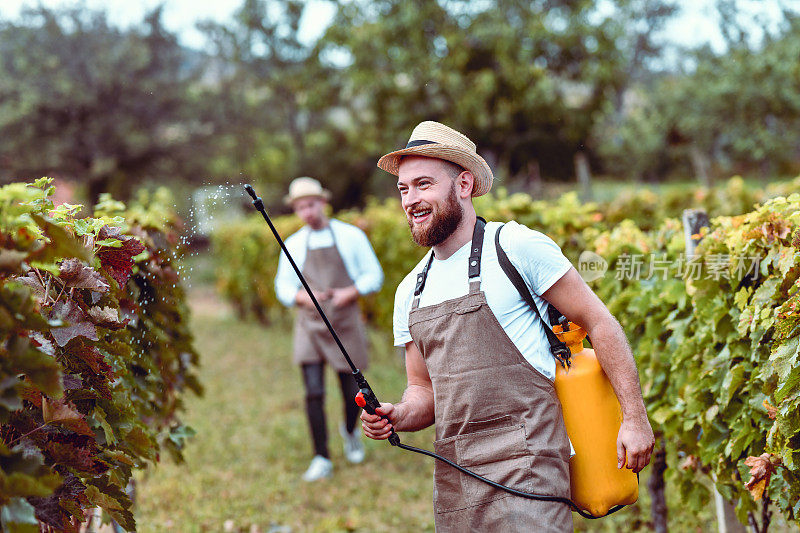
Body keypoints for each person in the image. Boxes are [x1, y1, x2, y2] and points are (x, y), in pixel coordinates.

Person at [361, 122, 655, 531]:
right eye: (404, 189)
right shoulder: (410, 291)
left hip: (530, 463)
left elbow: (599, 322)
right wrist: (398, 413)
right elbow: (424, 390)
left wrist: (634, 417)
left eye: (423, 184)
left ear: (463, 183)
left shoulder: (514, 247)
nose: (411, 199)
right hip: (456, 473)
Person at [275, 177, 384, 482]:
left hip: (345, 323)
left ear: (323, 203)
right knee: (313, 392)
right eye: (300, 207)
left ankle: (350, 431)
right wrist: (300, 297)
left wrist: (350, 292)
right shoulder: (294, 244)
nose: (306, 212)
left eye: (310, 205)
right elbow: (282, 286)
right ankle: (321, 456)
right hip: (310, 326)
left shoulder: (351, 237)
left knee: (353, 392)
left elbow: (373, 275)